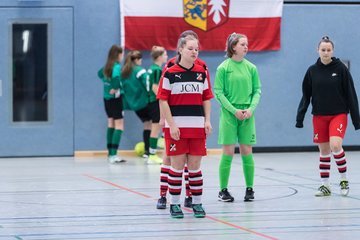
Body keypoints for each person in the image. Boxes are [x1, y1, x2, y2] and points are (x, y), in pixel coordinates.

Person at [296, 36, 360, 197]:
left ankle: (344, 179)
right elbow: (306, 95)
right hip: (319, 116)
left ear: (333, 51)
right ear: (318, 50)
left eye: (328, 50)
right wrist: (300, 117)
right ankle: (325, 186)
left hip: (338, 114)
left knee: (336, 145)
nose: (325, 52)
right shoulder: (312, 71)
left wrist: (356, 119)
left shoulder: (341, 69)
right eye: (323, 50)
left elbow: (351, 94)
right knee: (324, 152)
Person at [157, 34, 213, 218]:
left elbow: (206, 98)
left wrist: (207, 120)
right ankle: (174, 204)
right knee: (177, 167)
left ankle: (197, 203)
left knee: (195, 168)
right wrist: (171, 124)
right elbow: (163, 100)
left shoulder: (201, 72)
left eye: (196, 48)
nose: (194, 51)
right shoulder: (170, 72)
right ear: (180, 49)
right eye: (190, 48)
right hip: (177, 129)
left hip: (197, 127)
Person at [214, 33, 261, 202]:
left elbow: (257, 91)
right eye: (242, 44)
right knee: (228, 151)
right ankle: (223, 190)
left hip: (248, 114)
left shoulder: (252, 68)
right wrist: (234, 110)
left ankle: (250, 189)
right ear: (233, 47)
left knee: (247, 151)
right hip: (229, 115)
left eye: (247, 44)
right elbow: (218, 92)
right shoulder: (223, 68)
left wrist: (250, 109)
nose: (246, 47)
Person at [121, 50, 159, 163]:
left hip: (135, 106)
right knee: (154, 125)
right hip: (145, 102)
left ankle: (147, 152)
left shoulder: (124, 72)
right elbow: (148, 84)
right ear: (137, 60)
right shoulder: (140, 71)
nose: (142, 61)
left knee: (147, 125)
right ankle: (151, 151)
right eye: (140, 59)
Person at [97, 45, 126, 164]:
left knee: (111, 123)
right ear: (118, 54)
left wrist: (107, 84)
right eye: (121, 53)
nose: (122, 56)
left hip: (106, 99)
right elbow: (116, 77)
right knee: (119, 125)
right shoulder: (116, 66)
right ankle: (114, 155)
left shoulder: (106, 66)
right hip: (115, 99)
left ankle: (110, 153)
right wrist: (115, 87)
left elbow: (99, 74)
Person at [147, 46, 168, 164]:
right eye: (165, 54)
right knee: (155, 128)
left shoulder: (152, 68)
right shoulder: (157, 70)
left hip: (152, 101)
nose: (166, 57)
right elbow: (155, 88)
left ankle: (161, 140)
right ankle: (152, 155)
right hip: (155, 102)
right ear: (159, 57)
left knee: (158, 126)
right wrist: (163, 100)